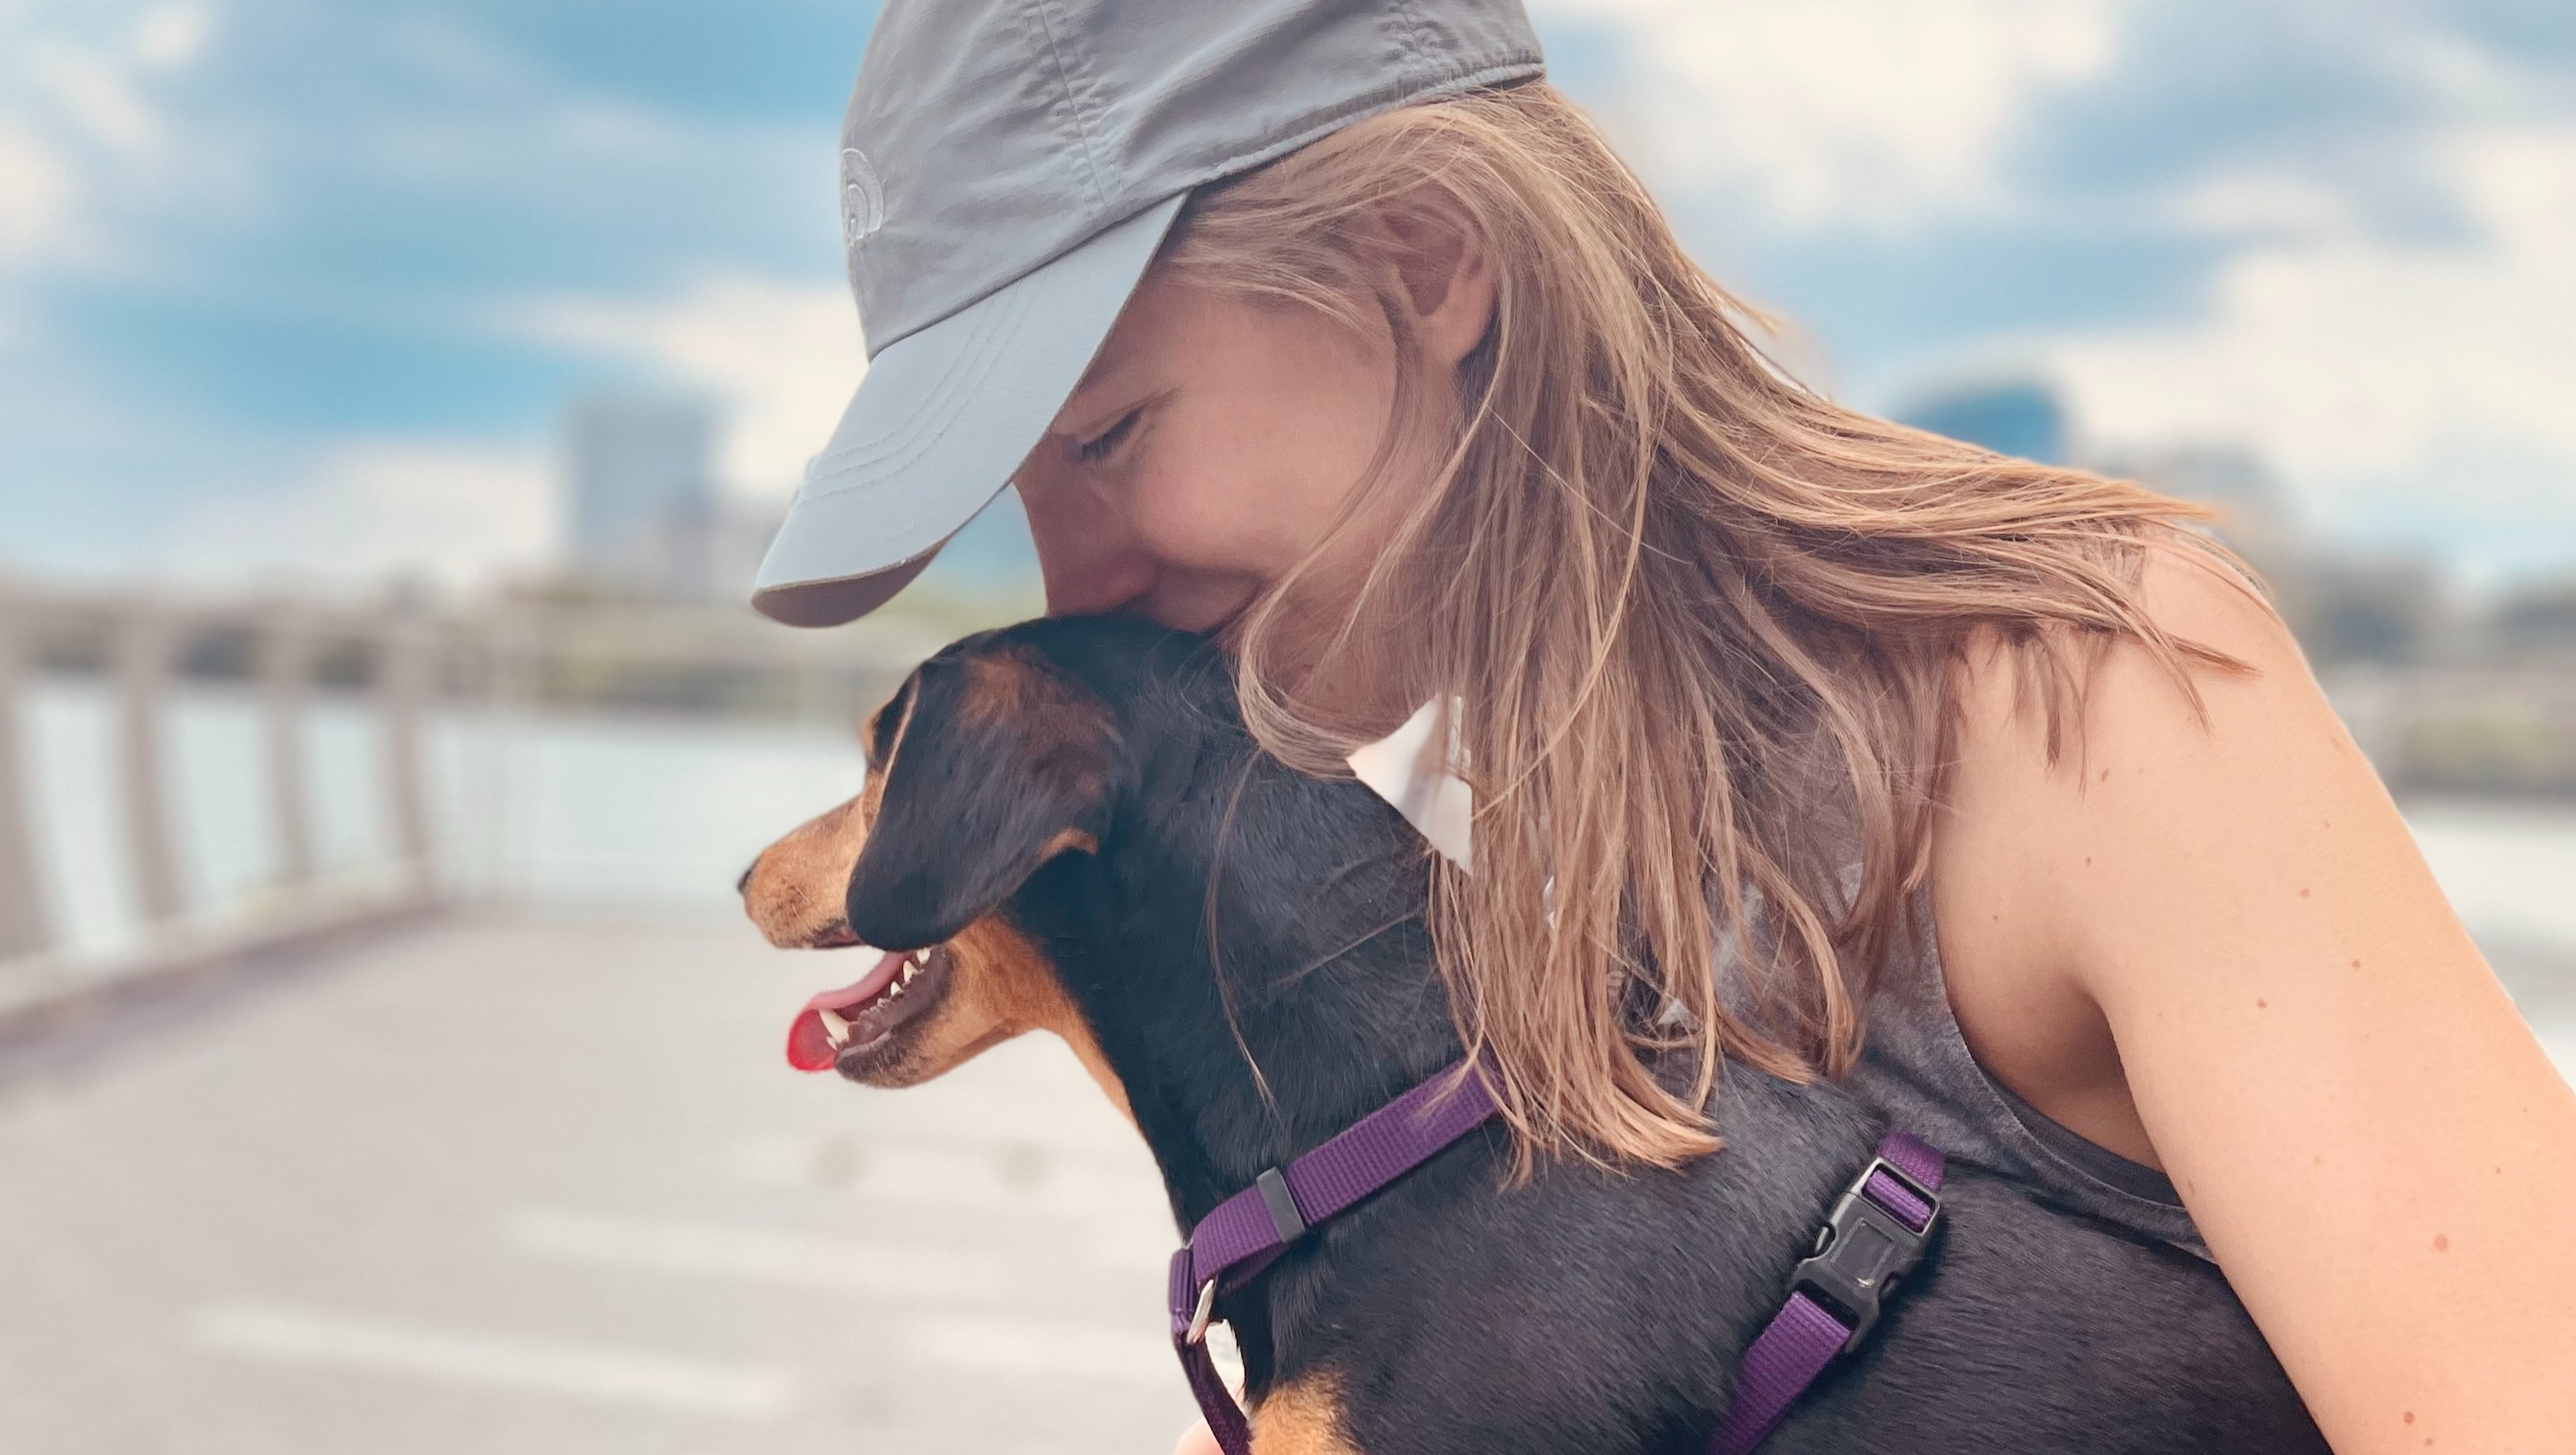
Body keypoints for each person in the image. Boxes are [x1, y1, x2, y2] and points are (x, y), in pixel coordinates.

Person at [751, 3, 2576, 1451]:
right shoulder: (1460, 856)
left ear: (1424, 257)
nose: (1075, 581)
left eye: (1107, 436)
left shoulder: (2095, 694)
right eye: (1021, 491)